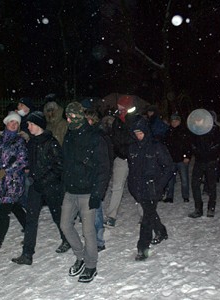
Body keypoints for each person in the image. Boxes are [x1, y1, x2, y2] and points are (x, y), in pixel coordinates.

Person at [60, 102, 110, 283]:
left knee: (88, 231)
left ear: (81, 117)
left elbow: (104, 168)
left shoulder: (95, 137)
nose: (69, 120)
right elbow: (66, 161)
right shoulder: (69, 135)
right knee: (65, 225)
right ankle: (80, 257)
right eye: (67, 116)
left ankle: (91, 265)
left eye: (72, 116)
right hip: (71, 190)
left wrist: (97, 194)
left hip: (88, 192)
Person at [11, 111, 70, 266]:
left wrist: (44, 179)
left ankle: (67, 240)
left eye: (30, 124)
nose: (28, 126)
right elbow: (31, 161)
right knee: (31, 220)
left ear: (37, 125)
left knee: (58, 217)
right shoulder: (32, 142)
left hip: (51, 187)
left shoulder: (51, 142)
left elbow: (59, 166)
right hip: (36, 186)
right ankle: (27, 254)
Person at [127, 116, 173, 261]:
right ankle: (161, 231)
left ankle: (142, 248)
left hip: (152, 187)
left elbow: (169, 167)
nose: (138, 136)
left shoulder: (156, 146)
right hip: (138, 187)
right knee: (149, 212)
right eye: (136, 133)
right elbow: (132, 169)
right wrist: (132, 186)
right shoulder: (133, 147)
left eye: (141, 133)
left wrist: (159, 185)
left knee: (146, 219)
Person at [0, 111, 27, 257]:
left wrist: (5, 171)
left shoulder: (19, 141)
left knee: (4, 212)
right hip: (2, 182)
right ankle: (29, 230)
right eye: (11, 122)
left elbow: (21, 161)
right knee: (16, 207)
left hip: (14, 181)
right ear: (6, 123)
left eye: (16, 123)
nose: (14, 125)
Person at [104, 95, 136, 228]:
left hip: (134, 158)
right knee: (116, 187)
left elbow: (136, 138)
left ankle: (144, 214)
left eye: (122, 107)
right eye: (119, 107)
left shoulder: (135, 120)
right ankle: (111, 216)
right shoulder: (117, 122)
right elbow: (115, 140)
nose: (119, 109)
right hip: (121, 158)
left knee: (137, 187)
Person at [84, 109, 114, 252]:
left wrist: (102, 182)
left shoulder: (99, 136)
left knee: (96, 211)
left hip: (96, 178)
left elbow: (105, 162)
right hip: (87, 178)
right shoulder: (85, 135)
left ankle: (99, 241)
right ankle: (92, 238)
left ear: (91, 121)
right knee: (88, 211)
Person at [188, 114, 220, 218]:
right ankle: (198, 209)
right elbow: (191, 143)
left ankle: (211, 208)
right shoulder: (195, 131)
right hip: (199, 161)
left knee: (211, 185)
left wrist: (210, 151)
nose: (197, 122)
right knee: (195, 185)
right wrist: (196, 150)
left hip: (210, 162)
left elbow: (219, 144)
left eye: (199, 120)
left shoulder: (214, 130)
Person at [163, 113, 192, 203]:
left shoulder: (184, 131)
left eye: (176, 121)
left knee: (184, 179)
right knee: (170, 179)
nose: (174, 123)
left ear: (179, 121)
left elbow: (188, 145)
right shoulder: (168, 132)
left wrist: (187, 156)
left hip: (181, 159)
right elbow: (166, 145)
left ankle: (185, 196)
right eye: (173, 121)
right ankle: (169, 197)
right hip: (171, 160)